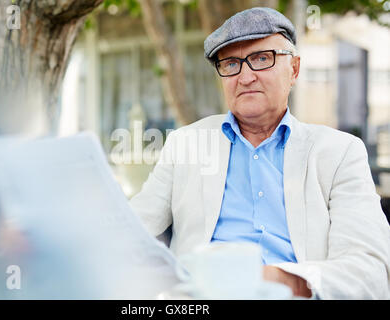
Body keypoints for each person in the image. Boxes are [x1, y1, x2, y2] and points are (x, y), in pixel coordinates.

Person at [129, 7, 390, 299]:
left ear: (294, 69)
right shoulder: (186, 143)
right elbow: (131, 234)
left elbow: (370, 272)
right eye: (230, 63)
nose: (245, 76)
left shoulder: (339, 153)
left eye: (262, 59)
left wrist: (269, 279)